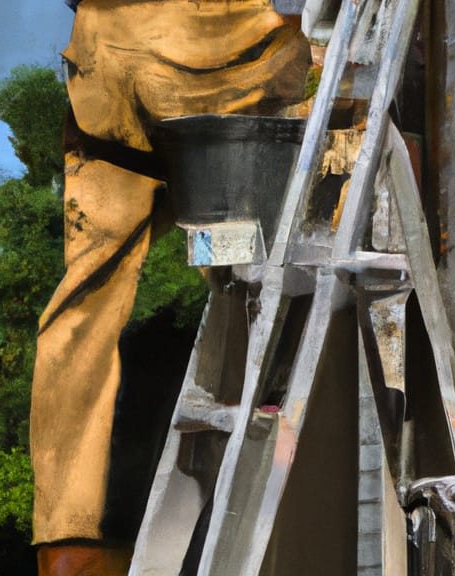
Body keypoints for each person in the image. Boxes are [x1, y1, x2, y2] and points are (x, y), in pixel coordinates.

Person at [30, 1, 310, 574]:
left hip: (108, 63)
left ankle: (70, 541)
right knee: (251, 276)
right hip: (232, 57)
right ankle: (257, 499)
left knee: (87, 304)